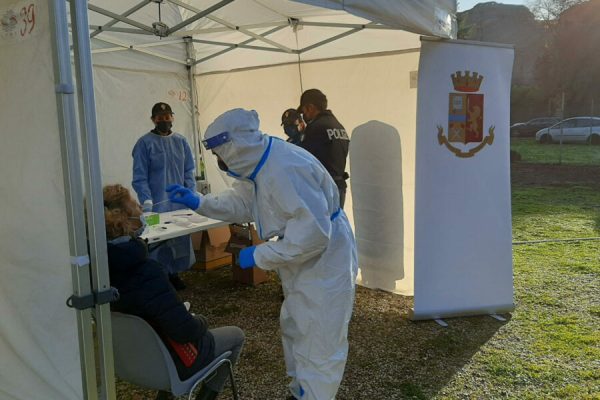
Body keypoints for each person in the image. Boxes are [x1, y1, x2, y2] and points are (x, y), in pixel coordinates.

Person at [166, 109, 358, 400]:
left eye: (221, 154)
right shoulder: (257, 165)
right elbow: (245, 202)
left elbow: (314, 234)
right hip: (301, 255)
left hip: (325, 257)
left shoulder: (285, 168)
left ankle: (315, 395)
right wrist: (201, 202)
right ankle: (301, 391)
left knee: (319, 338)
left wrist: (259, 256)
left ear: (235, 147)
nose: (221, 162)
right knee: (296, 325)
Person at [103, 184, 244, 400]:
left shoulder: (97, 271)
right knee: (236, 335)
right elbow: (186, 331)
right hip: (172, 362)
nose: (141, 207)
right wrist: (201, 320)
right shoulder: (146, 273)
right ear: (126, 221)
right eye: (135, 204)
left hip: (131, 362)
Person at [132, 102, 196, 290]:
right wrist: (147, 200)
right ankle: (159, 276)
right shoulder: (144, 143)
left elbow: (189, 171)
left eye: (167, 117)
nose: (164, 121)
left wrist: (190, 194)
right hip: (156, 203)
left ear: (172, 118)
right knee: (158, 240)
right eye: (160, 118)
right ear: (153, 120)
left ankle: (174, 273)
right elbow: (139, 176)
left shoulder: (181, 142)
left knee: (180, 239)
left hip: (179, 202)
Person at [297, 89, 350, 208]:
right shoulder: (338, 126)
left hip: (324, 189)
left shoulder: (316, 127)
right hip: (340, 186)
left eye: (303, 112)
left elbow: (304, 160)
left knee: (322, 226)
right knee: (337, 224)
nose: (303, 116)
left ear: (310, 108)